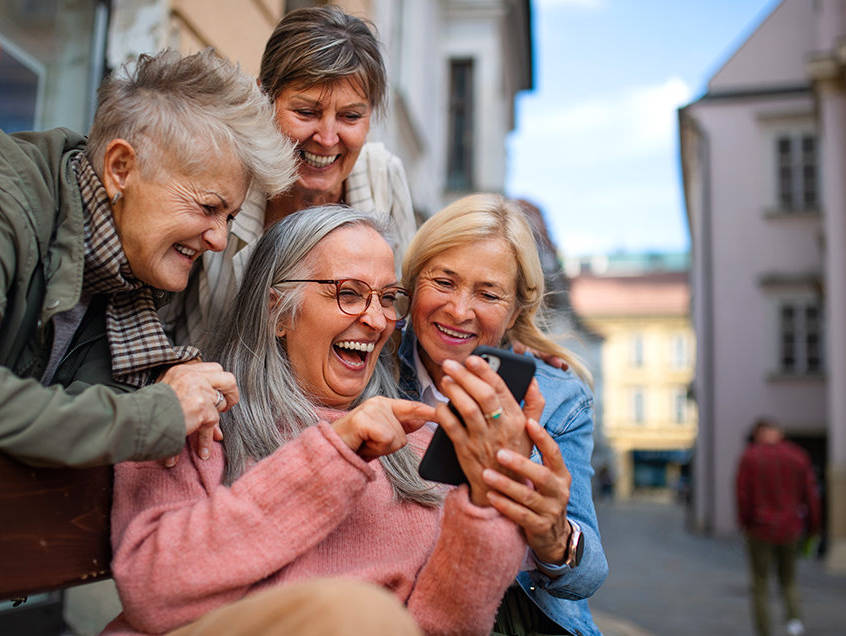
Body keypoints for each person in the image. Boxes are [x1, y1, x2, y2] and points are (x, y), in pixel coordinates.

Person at [103, 206, 542, 636]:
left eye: (388, 299)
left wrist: (490, 500)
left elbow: (442, 626)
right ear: (278, 310)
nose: (375, 320)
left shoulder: (416, 446)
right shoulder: (197, 415)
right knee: (351, 611)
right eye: (349, 293)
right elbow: (151, 590)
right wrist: (336, 449)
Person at [0, 48, 295, 467]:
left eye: (231, 216)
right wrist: (156, 412)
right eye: (208, 207)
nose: (220, 239)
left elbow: (53, 410)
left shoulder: (122, 273)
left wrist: (167, 394)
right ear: (121, 168)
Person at [397, 193, 607, 636]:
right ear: (413, 282)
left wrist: (552, 536)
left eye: (488, 293)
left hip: (514, 612)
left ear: (516, 310)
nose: (459, 310)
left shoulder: (558, 396)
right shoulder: (368, 358)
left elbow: (588, 575)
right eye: (444, 282)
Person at [163, 5, 417, 350]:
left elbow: (402, 321)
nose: (327, 138)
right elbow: (161, 310)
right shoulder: (229, 171)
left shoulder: (384, 177)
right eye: (306, 112)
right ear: (263, 97)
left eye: (350, 116)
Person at [736, 418, 821, 636]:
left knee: (760, 585)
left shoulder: (750, 456)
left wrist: (745, 523)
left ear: (759, 433)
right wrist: (813, 527)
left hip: (760, 529)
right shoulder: (798, 456)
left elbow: (742, 494)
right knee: (789, 580)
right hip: (791, 529)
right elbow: (811, 495)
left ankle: (764, 631)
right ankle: (795, 625)